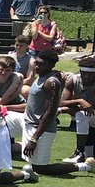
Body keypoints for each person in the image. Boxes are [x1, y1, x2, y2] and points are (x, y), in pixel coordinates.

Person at [20, 49, 94, 178]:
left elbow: (51, 110)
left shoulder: (51, 82)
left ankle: (83, 162)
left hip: (42, 128)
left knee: (39, 168)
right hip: (29, 123)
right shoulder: (45, 78)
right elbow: (61, 103)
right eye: (36, 63)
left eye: (41, 64)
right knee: (3, 122)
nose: (37, 67)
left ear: (50, 66)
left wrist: (34, 138)